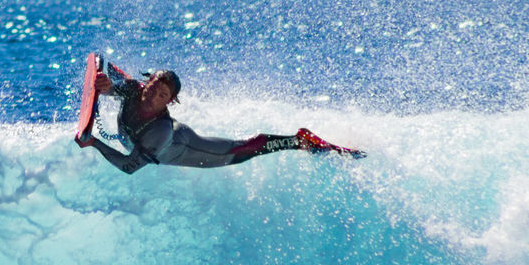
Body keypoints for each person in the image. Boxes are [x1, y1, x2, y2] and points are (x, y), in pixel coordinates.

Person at [75, 67, 364, 174]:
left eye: (162, 95)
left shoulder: (158, 133)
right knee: (242, 145)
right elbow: (117, 84)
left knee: (241, 149)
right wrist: (106, 85)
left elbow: (128, 166)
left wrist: (95, 144)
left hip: (198, 152)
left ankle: (299, 141)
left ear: (170, 102)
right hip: (177, 135)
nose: (153, 96)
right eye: (152, 87)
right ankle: (298, 140)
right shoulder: (135, 89)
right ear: (147, 82)